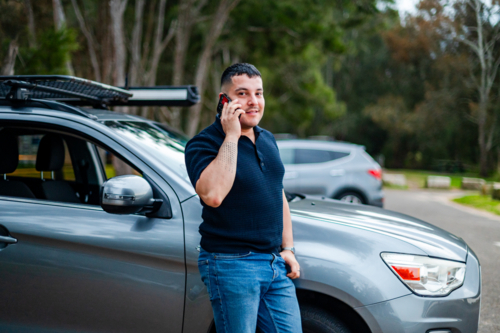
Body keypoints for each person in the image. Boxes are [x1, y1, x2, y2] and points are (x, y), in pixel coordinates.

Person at [184, 63, 302, 333]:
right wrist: (232, 136)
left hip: (274, 265)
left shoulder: (268, 139)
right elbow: (213, 195)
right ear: (224, 100)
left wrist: (288, 249)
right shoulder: (203, 144)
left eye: (259, 93)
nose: (253, 102)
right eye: (243, 93)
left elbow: (277, 192)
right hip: (231, 264)